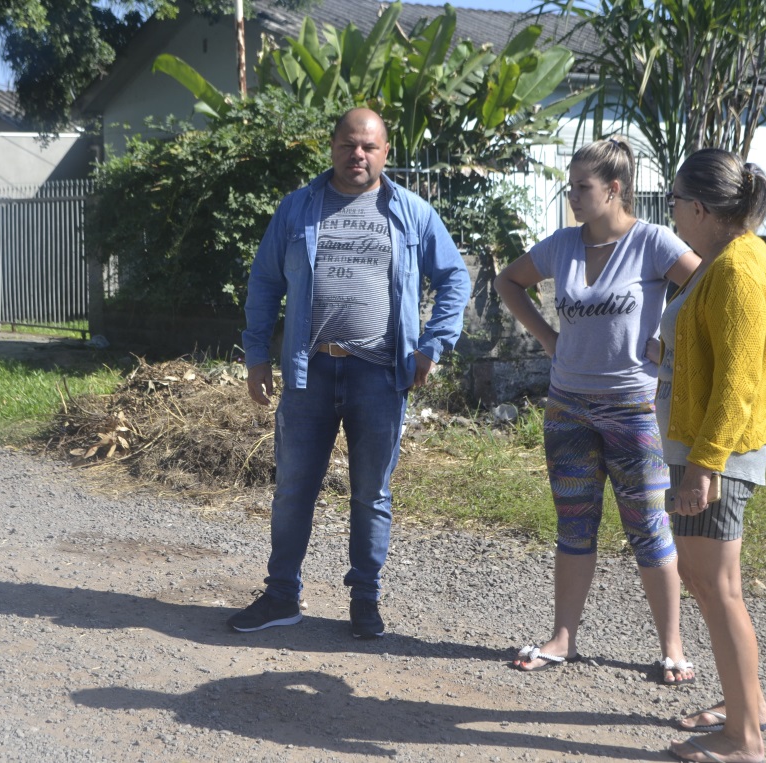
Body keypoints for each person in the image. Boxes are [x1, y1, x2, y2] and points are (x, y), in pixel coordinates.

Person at [228, 108, 471, 639]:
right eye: (347, 145)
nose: (357, 155)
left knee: (371, 494)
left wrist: (434, 344)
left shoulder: (412, 213)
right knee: (294, 488)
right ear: (332, 147)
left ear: (385, 152)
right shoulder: (297, 209)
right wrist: (256, 355)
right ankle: (281, 596)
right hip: (308, 371)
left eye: (368, 147)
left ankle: (365, 600)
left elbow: (454, 277)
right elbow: (265, 283)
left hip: (380, 376)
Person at [494, 137, 701, 680]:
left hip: (632, 409)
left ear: (614, 189)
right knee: (574, 523)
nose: (573, 197)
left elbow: (710, 288)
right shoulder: (560, 245)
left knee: (649, 527)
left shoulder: (652, 243)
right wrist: (547, 339)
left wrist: (671, 343)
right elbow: (508, 282)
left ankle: (672, 647)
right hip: (567, 410)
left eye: (582, 187)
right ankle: (563, 638)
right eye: (570, 186)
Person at [657, 149, 766, 763]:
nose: (673, 211)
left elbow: (736, 383)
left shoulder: (736, 268)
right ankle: (747, 709)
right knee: (712, 582)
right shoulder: (730, 258)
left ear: (701, 207)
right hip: (708, 446)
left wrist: (704, 467)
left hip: (715, 454)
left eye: (675, 200)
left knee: (715, 584)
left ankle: (743, 740)